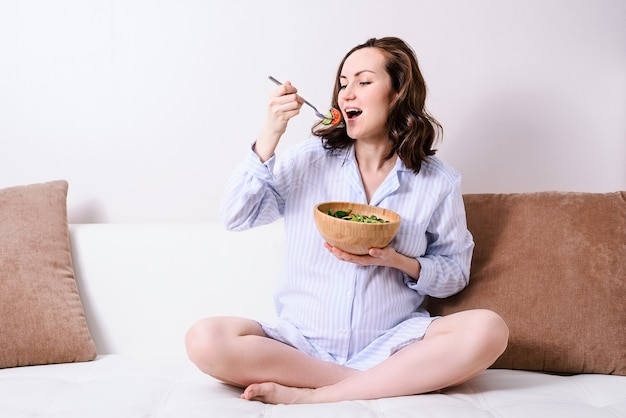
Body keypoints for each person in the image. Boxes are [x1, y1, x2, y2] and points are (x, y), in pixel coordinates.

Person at [185, 36, 509, 405]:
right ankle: (384, 383)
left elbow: (454, 275)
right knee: (204, 338)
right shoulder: (307, 160)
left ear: (398, 92)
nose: (346, 94)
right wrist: (270, 134)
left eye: (363, 82)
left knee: (488, 329)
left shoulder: (438, 181)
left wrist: (397, 260)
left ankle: (317, 396)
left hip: (393, 343)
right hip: (299, 348)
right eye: (342, 84)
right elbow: (236, 216)